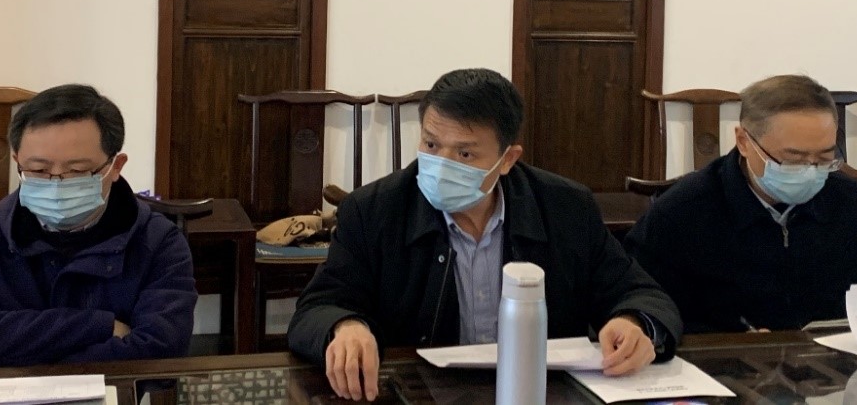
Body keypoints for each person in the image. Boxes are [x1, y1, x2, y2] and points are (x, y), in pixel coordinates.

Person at [288, 68, 682, 402]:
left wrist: (636, 323)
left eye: (464, 154)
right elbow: (318, 307)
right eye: (430, 144)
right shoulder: (373, 211)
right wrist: (345, 326)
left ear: (508, 159)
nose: (441, 164)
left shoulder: (566, 208)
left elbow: (640, 293)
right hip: (419, 396)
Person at [625, 74, 857, 334]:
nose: (810, 171)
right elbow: (643, 308)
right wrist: (731, 341)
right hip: (723, 366)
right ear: (743, 141)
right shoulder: (682, 213)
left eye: (825, 158)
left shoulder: (855, 206)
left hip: (832, 365)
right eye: (792, 159)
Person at [0, 84, 197, 367]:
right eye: (38, 170)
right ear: (17, 162)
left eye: (77, 171)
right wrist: (100, 326)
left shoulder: (159, 241)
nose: (57, 183)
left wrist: (21, 350)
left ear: (116, 166)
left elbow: (161, 352)